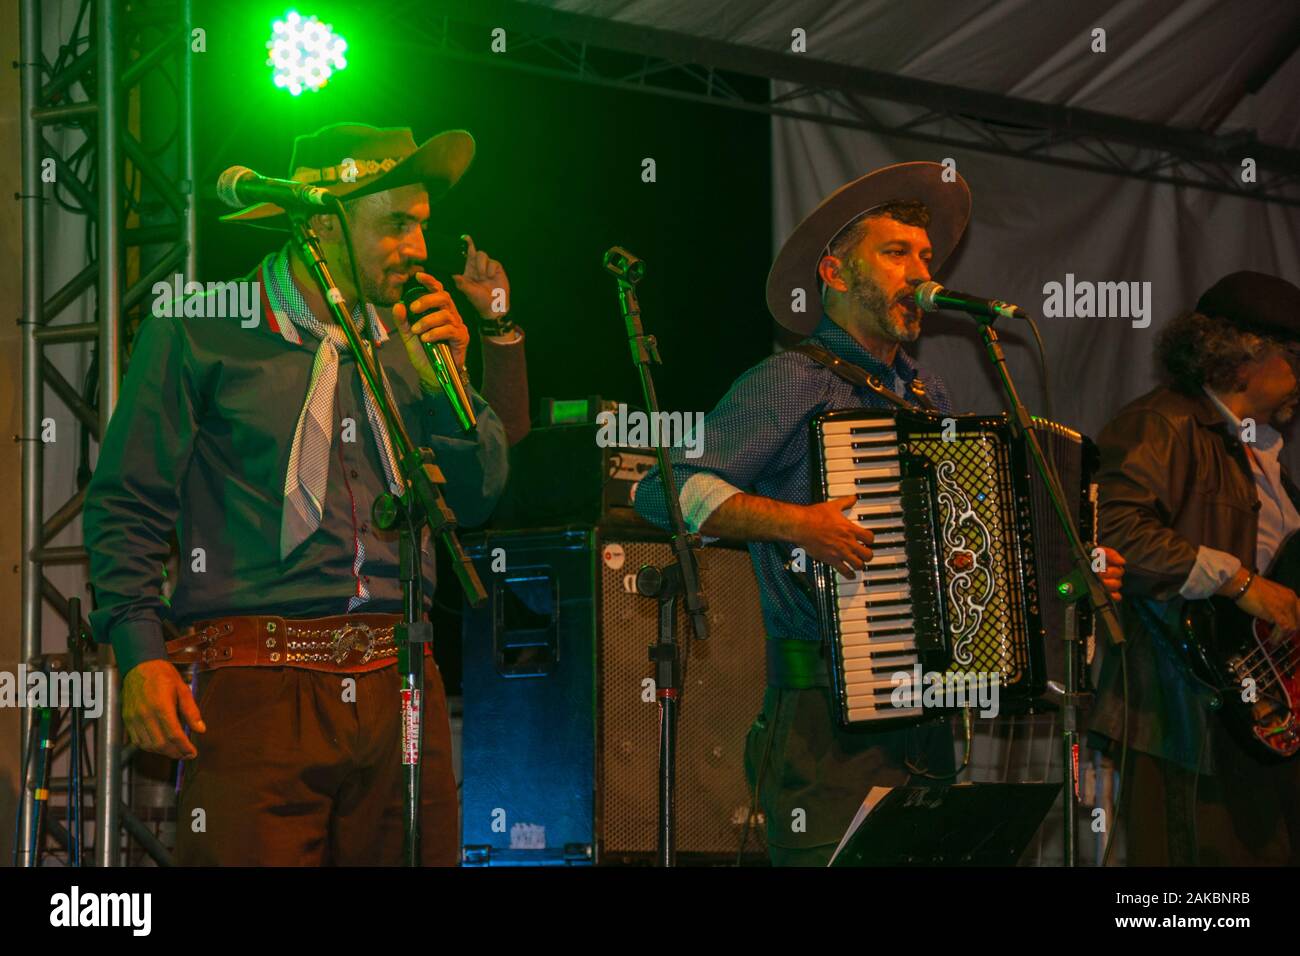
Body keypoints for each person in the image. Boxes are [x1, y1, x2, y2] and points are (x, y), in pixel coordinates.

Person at [634, 162, 1125, 865]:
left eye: (926, 256)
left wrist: (1066, 573)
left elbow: (968, 554)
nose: (921, 271)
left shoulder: (929, 396)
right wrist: (794, 522)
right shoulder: (791, 380)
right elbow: (660, 490)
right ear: (834, 273)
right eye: (896, 253)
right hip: (821, 724)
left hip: (926, 721)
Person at [84, 122, 509, 865]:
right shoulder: (201, 324)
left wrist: (454, 380)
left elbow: (479, 500)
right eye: (397, 227)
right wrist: (139, 654)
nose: (416, 249)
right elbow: (127, 500)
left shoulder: (411, 338)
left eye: (422, 228)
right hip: (259, 687)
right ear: (321, 222)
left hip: (400, 680)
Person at [1090, 271, 1300, 865]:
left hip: (1256, 718)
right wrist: (1240, 583)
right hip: (1180, 715)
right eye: (1296, 357)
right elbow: (1111, 532)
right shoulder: (1162, 424)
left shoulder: (1264, 459)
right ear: (1242, 355)